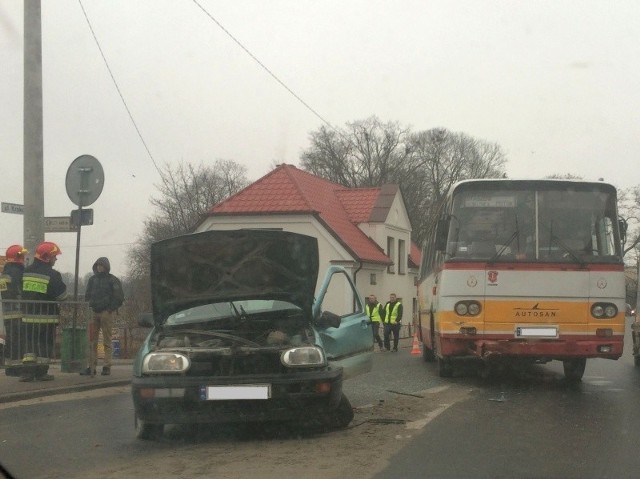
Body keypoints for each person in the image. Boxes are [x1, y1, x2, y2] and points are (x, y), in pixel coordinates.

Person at [21, 241, 68, 381]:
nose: (56, 259)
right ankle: (41, 373)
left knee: (29, 346)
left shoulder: (26, 271)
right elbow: (62, 296)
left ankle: (28, 373)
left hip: (28, 316)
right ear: (47, 257)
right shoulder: (52, 274)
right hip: (46, 318)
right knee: (44, 345)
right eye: (54, 256)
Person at [80, 257, 124, 376]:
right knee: (92, 341)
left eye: (101, 265)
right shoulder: (92, 280)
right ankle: (91, 366)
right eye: (98, 265)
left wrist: (110, 309)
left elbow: (119, 297)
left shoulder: (112, 280)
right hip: (94, 312)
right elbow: (87, 295)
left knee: (107, 340)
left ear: (106, 267)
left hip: (106, 312)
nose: (99, 267)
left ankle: (107, 366)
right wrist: (89, 304)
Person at [0, 245, 28, 365]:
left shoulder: (6, 271)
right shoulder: (17, 271)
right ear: (17, 257)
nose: (24, 259)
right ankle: (17, 365)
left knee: (11, 338)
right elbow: (21, 290)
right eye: (22, 256)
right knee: (19, 339)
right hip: (18, 310)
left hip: (8, 311)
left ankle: (11, 364)